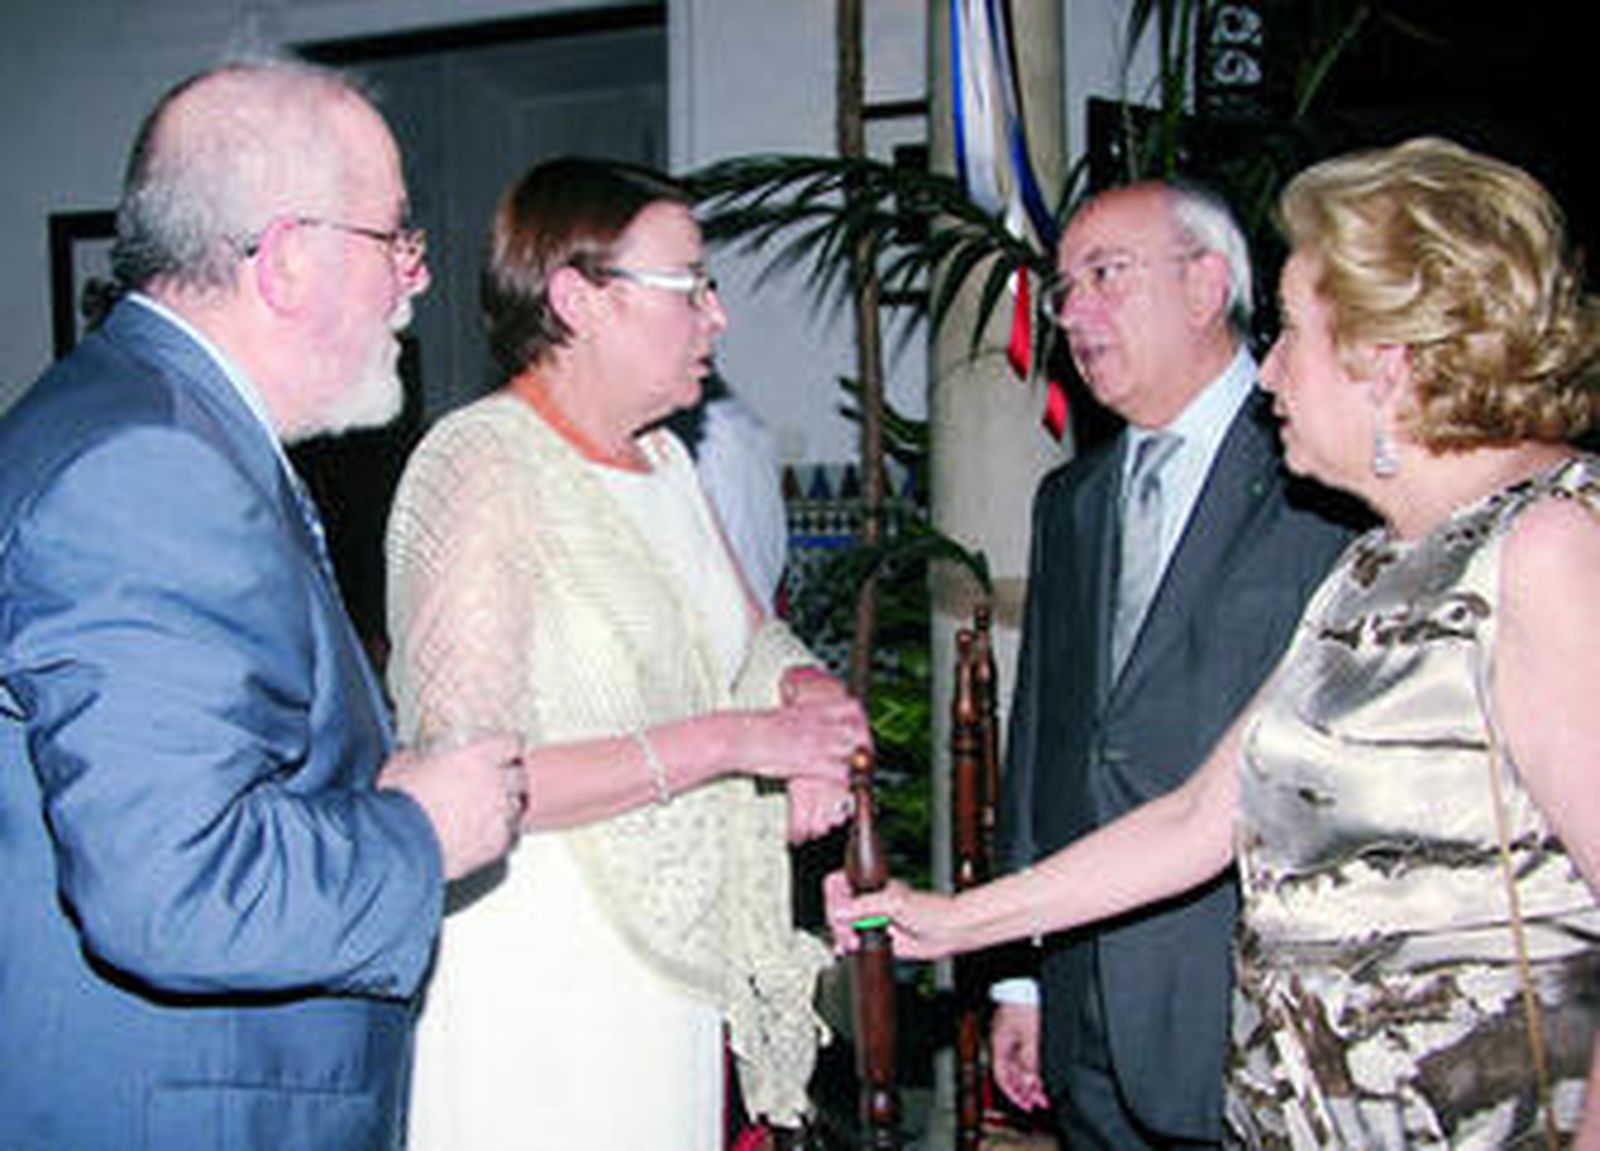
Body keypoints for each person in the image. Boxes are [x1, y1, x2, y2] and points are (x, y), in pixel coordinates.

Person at [831, 136, 1600, 1148]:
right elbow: (1200, 813)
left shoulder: (1546, 545)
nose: (1268, 367)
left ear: (1388, 359)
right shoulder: (1375, 562)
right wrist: (951, 919)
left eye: (1291, 332)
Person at [0, 59, 526, 1151]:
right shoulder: (150, 463)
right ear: (288, 259)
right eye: (396, 238)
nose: (416, 279)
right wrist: (421, 829)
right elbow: (171, 888)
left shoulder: (148, 415)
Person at [384, 156, 870, 1151]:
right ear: (577, 300)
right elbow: (469, 776)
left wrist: (810, 699)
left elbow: (752, 639)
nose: (716, 315)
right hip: (541, 964)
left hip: (669, 953)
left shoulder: (666, 459)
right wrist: (740, 741)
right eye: (689, 284)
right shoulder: (481, 464)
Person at [984, 180, 1356, 1148]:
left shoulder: (1324, 476)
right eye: (1063, 290)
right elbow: (1044, 740)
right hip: (1083, 1002)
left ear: (1205, 286)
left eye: (1105, 275)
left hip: (1247, 998)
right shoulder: (1071, 500)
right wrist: (1021, 975)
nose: (1073, 313)